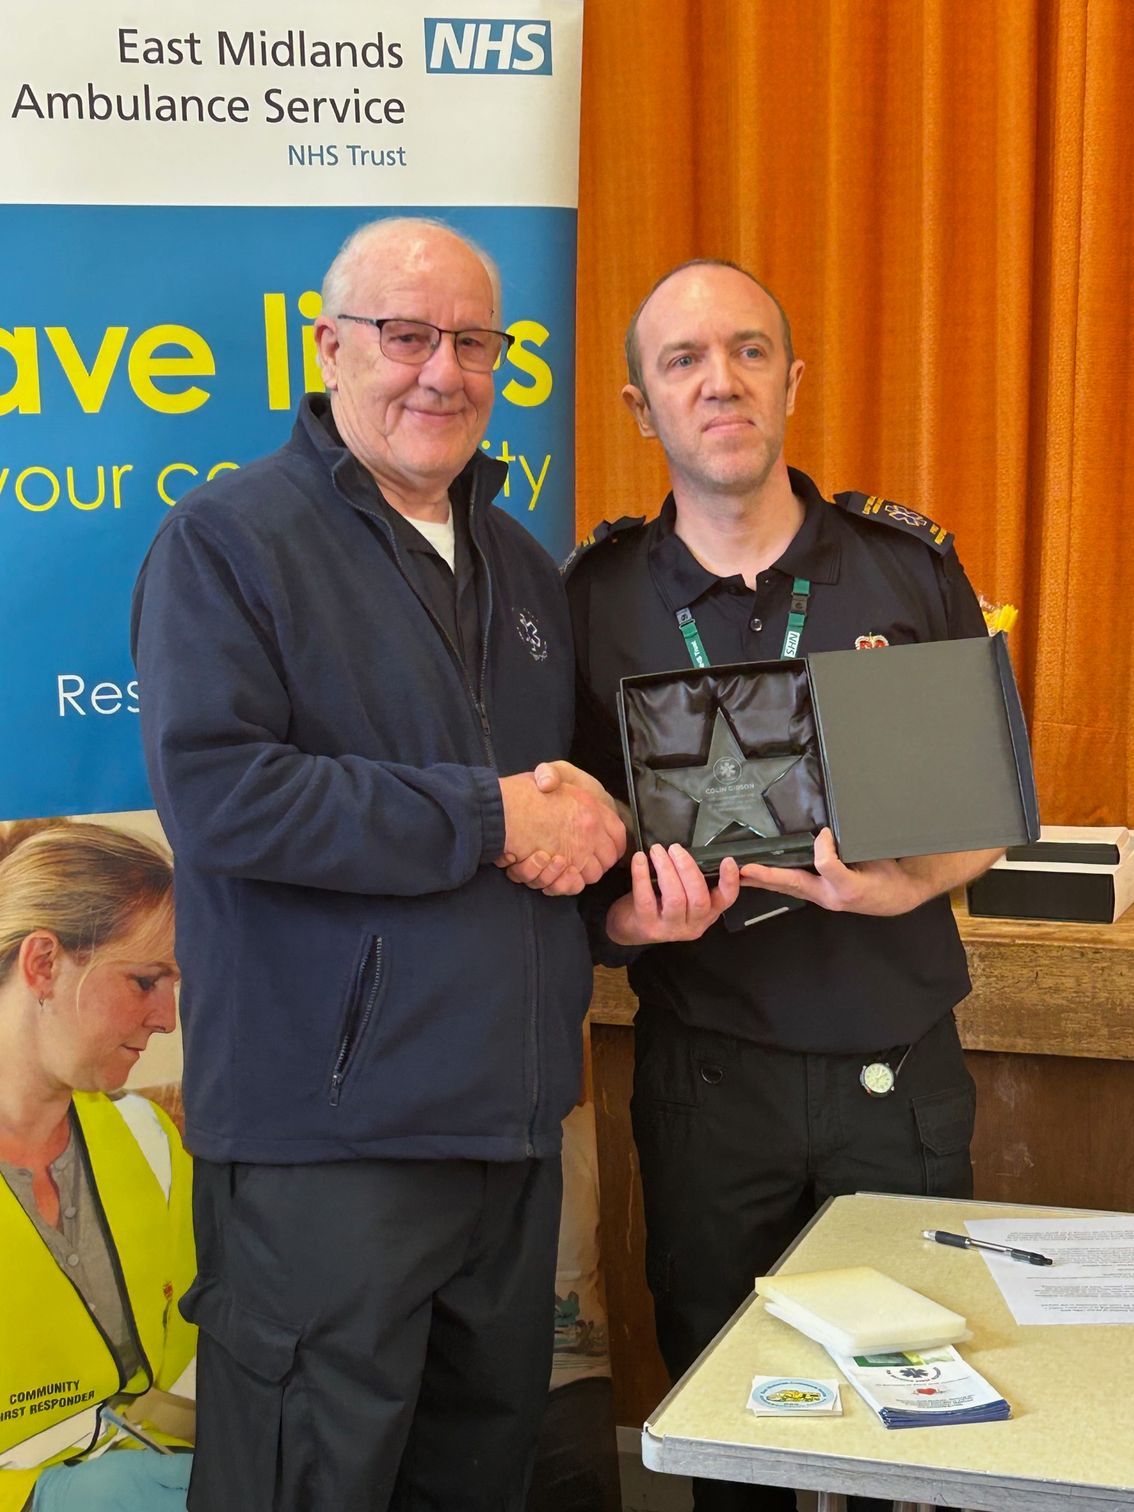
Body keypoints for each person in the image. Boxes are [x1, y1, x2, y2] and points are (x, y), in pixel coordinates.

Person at [130, 217, 627, 1512]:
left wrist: (628, 894)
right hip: (324, 1150)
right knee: (306, 1486)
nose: (441, 372)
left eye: (473, 342)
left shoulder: (522, 563)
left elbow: (560, 813)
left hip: (506, 1138)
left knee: (471, 1481)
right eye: (407, 336)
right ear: (327, 346)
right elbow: (226, 799)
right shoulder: (228, 542)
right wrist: (489, 817)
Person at [562, 259, 1002, 1512]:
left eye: (750, 352)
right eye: (685, 362)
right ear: (643, 406)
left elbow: (981, 814)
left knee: (914, 1435)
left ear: (792, 380)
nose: (722, 383)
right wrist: (622, 925)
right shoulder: (591, 601)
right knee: (732, 1429)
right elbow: (565, 854)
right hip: (708, 1077)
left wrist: (911, 886)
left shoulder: (901, 569)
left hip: (898, 1069)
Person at [0, 820, 194, 1512]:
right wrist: (32, 1497)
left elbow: (198, 1353)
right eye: (146, 980)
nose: (168, 1018)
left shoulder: (148, 1140)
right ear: (44, 964)